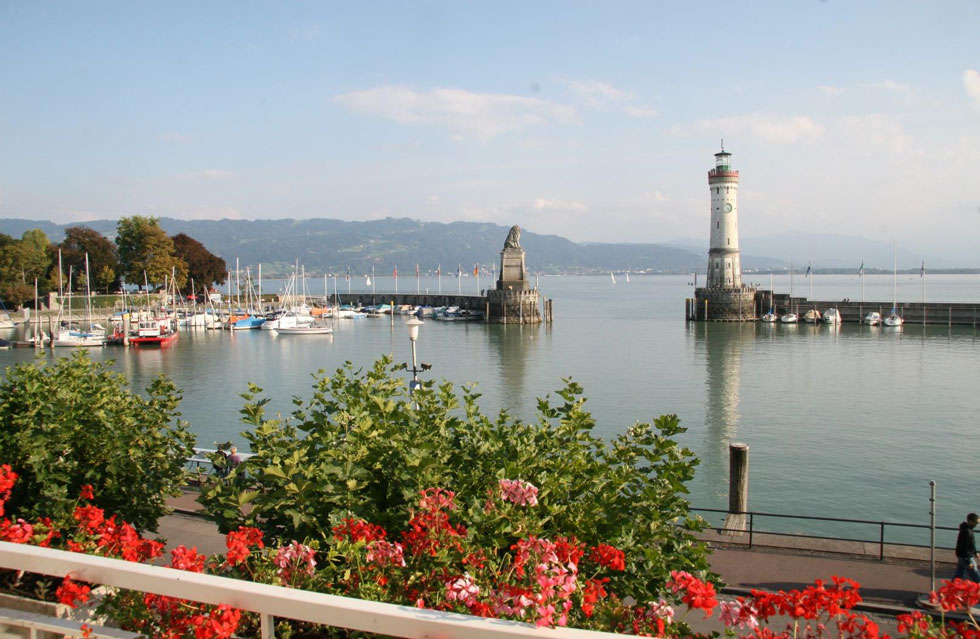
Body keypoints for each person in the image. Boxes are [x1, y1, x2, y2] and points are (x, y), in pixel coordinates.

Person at [955, 512, 980, 582]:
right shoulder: (967, 532)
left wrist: (975, 552)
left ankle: (950, 589)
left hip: (963, 556)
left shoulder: (967, 529)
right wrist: (968, 561)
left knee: (958, 576)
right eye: (976, 523)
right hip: (967, 557)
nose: (977, 525)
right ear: (970, 521)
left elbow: (970, 544)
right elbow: (965, 547)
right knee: (977, 577)